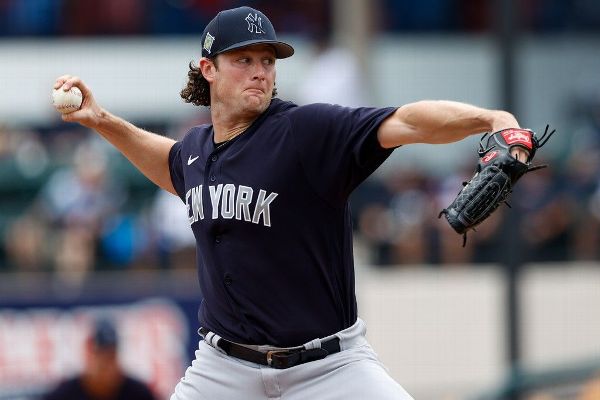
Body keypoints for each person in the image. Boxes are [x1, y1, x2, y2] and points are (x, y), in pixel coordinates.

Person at [52, 6, 529, 399]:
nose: (260, 72)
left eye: (268, 61)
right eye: (244, 60)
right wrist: (100, 120)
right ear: (208, 68)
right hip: (224, 370)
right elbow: (173, 167)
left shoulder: (305, 133)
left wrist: (490, 118)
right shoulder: (195, 151)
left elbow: (406, 122)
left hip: (329, 368)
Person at [42, 318, 156, 400]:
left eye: (110, 356)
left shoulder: (138, 393)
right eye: (100, 355)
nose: (106, 365)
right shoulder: (65, 394)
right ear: (88, 353)